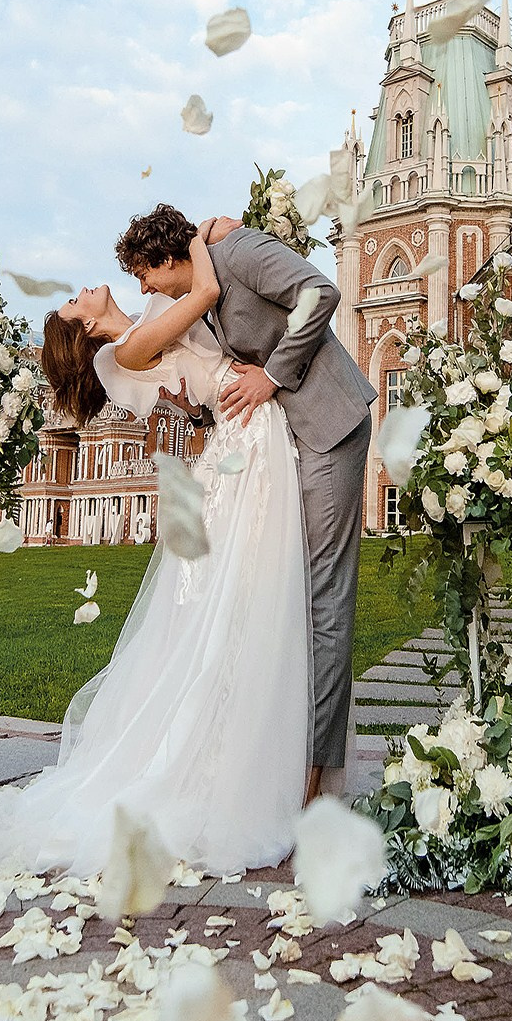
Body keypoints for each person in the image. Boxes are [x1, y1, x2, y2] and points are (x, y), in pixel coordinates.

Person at [0, 222, 312, 879]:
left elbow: (181, 294)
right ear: (84, 330)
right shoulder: (128, 349)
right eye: (71, 304)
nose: (82, 292)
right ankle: (214, 775)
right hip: (248, 438)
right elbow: (202, 285)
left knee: (238, 609)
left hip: (245, 434)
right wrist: (202, 232)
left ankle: (226, 763)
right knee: (242, 608)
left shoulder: (145, 315)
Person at [139, 205, 375, 808]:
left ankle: (319, 775)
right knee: (287, 592)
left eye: (146, 277)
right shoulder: (205, 286)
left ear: (168, 260)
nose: (146, 291)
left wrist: (272, 375)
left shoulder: (238, 252)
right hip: (288, 439)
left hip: (327, 425)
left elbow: (319, 292)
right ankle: (288, 751)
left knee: (324, 594)